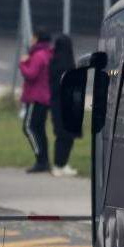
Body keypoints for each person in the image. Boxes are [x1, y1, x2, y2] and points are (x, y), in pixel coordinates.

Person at [18, 29, 54, 173]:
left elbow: (31, 74)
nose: (31, 40)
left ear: (37, 38)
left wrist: (22, 63)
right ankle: (44, 160)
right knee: (39, 129)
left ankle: (41, 159)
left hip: (35, 97)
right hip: (44, 97)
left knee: (28, 127)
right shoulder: (47, 53)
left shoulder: (38, 55)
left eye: (33, 37)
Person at [49, 34, 78, 177]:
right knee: (66, 136)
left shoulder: (54, 62)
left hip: (57, 104)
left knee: (62, 135)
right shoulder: (67, 64)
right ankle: (59, 164)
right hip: (67, 104)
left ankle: (61, 164)